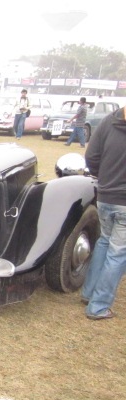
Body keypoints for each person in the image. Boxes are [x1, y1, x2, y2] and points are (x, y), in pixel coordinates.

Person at [81, 104, 126, 320]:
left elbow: (91, 156)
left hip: (106, 196)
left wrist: (106, 179)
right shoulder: (109, 120)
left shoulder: (109, 120)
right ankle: (98, 306)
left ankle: (89, 292)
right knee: (118, 253)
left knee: (104, 242)